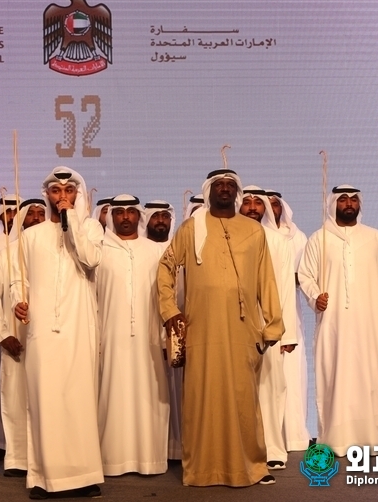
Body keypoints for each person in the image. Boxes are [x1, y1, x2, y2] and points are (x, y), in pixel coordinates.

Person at [157, 169, 284, 487]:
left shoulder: (253, 231)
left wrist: (272, 327)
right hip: (201, 331)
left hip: (244, 331)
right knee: (202, 400)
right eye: (219, 185)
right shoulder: (191, 228)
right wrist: (170, 310)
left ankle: (252, 467)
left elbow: (266, 279)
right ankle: (201, 470)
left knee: (243, 401)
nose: (225, 190)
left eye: (230, 186)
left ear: (236, 193)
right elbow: (166, 267)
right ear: (209, 191)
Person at [13, 167, 104, 499]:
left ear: (77, 195)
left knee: (78, 399)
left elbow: (91, 260)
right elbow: (16, 278)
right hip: (41, 331)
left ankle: (85, 476)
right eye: (56, 191)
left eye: (68, 191)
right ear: (47, 194)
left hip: (79, 326)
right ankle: (44, 478)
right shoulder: (31, 235)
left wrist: (72, 224)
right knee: (44, 400)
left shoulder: (91, 228)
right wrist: (17, 302)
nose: (62, 196)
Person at [298, 185, 378, 457]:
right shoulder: (319, 239)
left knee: (371, 377)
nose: (348, 204)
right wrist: (314, 297)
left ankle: (374, 439)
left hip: (370, 324)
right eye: (343, 199)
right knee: (336, 376)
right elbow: (305, 276)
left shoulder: (375, 238)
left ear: (359, 205)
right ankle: (337, 439)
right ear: (334, 203)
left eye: (353, 199)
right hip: (334, 325)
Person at [96, 195, 169, 476]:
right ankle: (113, 460)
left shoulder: (155, 250)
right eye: (120, 212)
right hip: (111, 337)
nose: (125, 217)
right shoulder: (99, 250)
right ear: (112, 216)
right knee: (112, 395)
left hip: (150, 338)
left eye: (130, 212)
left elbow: (166, 296)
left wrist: (166, 339)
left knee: (150, 395)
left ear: (140, 216)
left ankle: (150, 460)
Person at [0, 198, 47, 478]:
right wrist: (2, 335)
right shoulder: (6, 254)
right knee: (15, 397)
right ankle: (18, 458)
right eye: (30, 213)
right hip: (15, 341)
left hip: (49, 342)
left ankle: (47, 457)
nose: (35, 217)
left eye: (40, 213)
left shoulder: (58, 252)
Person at [240, 186, 298, 471]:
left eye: (257, 203)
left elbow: (286, 287)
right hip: (235, 327)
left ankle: (273, 448)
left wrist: (286, 332)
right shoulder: (228, 237)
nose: (252, 207)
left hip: (270, 328)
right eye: (246, 202)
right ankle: (240, 449)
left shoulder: (277, 239)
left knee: (273, 387)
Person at [265, 189, 311, 452]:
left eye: (275, 205)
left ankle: (293, 435)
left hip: (290, 310)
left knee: (292, 374)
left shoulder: (298, 236)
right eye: (267, 205)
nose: (272, 210)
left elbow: (305, 273)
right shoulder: (257, 236)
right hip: (261, 311)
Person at [143, 199, 182, 461]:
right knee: (152, 389)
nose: (160, 221)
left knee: (179, 389)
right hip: (146, 330)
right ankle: (155, 449)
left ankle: (178, 449)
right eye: (155, 216)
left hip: (178, 326)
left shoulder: (179, 249)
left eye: (165, 217)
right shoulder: (140, 250)